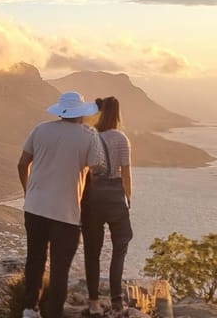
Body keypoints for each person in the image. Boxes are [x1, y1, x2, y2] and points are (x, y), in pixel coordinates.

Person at [17, 92, 105, 318]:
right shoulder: (89, 136)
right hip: (65, 212)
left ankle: (29, 309)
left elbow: (22, 164)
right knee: (60, 268)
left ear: (61, 112)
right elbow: (97, 170)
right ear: (82, 114)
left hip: (34, 207)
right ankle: (53, 312)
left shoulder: (40, 129)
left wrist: (30, 191)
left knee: (35, 258)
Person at [81, 96, 133, 317]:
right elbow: (126, 174)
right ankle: (116, 302)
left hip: (92, 196)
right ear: (118, 114)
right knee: (120, 245)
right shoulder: (121, 139)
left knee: (92, 251)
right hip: (114, 196)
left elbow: (84, 170)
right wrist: (128, 199)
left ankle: (93, 302)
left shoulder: (90, 137)